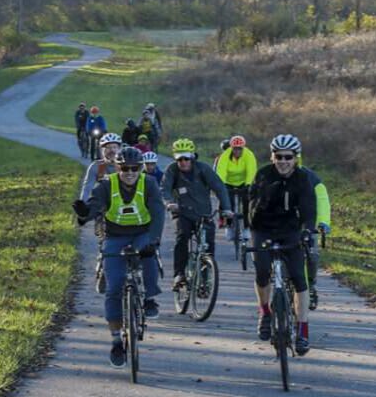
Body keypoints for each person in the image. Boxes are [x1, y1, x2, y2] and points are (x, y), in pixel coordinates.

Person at [72, 147, 165, 368]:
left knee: (148, 256)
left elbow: (158, 213)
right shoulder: (106, 184)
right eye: (125, 168)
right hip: (114, 236)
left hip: (142, 233)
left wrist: (153, 239)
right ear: (117, 167)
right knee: (114, 287)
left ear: (141, 168)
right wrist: (85, 213)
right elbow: (96, 206)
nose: (130, 172)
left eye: (135, 168)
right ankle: (116, 340)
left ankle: (150, 298)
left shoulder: (149, 183)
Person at [248, 134, 317, 355]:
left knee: (299, 278)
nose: (283, 161)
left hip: (290, 231)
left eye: (288, 157)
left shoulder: (302, 179)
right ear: (272, 156)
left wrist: (307, 230)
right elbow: (249, 207)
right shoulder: (263, 175)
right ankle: (265, 312)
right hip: (264, 229)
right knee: (261, 272)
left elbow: (308, 207)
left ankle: (303, 330)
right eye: (279, 156)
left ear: (296, 158)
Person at [161, 138, 232, 290]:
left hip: (203, 213)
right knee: (182, 236)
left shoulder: (203, 169)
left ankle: (205, 279)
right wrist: (169, 203)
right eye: (179, 159)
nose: (183, 162)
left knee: (208, 245)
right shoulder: (172, 170)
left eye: (186, 158)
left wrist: (226, 208)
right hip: (182, 212)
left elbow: (219, 188)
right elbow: (165, 189)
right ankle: (179, 274)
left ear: (192, 156)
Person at [296, 145, 331, 311]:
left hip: (306, 225)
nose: (285, 161)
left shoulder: (311, 178)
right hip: (283, 226)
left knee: (312, 254)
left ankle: (311, 284)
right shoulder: (272, 176)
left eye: (289, 157)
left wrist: (323, 222)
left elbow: (322, 200)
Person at [215, 135, 257, 241]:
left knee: (247, 203)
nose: (237, 151)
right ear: (231, 148)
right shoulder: (225, 155)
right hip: (229, 181)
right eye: (235, 149)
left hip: (243, 181)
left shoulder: (249, 155)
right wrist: (222, 185)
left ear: (243, 148)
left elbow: (251, 170)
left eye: (240, 149)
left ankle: (246, 228)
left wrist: (248, 184)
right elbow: (221, 170)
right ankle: (229, 227)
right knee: (228, 204)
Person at [79, 132, 122, 202]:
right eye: (108, 147)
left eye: (114, 147)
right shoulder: (96, 166)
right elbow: (87, 188)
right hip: (103, 203)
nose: (112, 150)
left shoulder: (125, 166)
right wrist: (83, 205)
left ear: (119, 149)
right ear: (102, 150)